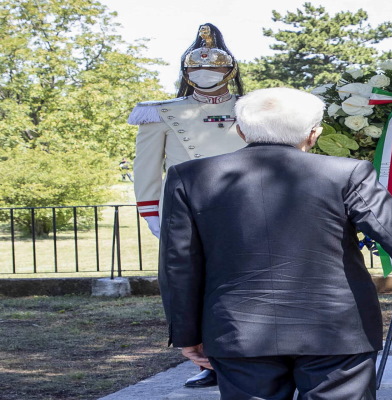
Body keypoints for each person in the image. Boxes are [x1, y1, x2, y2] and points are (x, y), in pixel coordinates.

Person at [159, 87, 392, 400]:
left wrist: (187, 332)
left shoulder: (190, 177)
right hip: (335, 331)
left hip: (238, 330)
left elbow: (180, 262)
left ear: (239, 130)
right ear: (313, 133)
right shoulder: (346, 173)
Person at [126, 23, 247, 388]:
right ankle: (210, 361)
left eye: (212, 68)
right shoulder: (159, 112)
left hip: (248, 206)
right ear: (185, 73)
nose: (204, 74)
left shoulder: (253, 107)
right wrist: (152, 214)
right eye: (195, 69)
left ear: (231, 71)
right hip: (188, 211)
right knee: (196, 285)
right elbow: (145, 169)